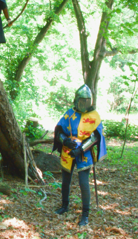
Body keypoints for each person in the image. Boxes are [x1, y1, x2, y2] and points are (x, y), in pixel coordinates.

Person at [53, 85, 107, 226]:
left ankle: (85, 215)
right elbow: (58, 131)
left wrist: (81, 149)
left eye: (86, 101)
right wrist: (64, 140)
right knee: (65, 180)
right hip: (68, 151)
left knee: (83, 183)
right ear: (76, 100)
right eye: (81, 100)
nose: (84, 104)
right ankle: (64, 205)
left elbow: (95, 137)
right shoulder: (69, 113)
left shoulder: (94, 116)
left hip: (85, 153)